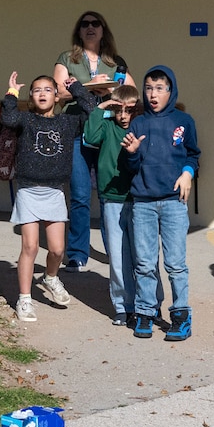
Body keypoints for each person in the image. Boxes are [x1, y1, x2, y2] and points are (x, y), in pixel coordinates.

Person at [120, 65, 200, 342]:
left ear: (171, 90)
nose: (153, 94)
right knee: (144, 263)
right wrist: (130, 154)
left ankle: (180, 314)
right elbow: (130, 166)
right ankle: (145, 312)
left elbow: (193, 154)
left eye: (159, 88)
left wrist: (188, 173)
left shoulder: (184, 121)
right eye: (149, 88)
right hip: (142, 203)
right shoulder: (138, 123)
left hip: (173, 202)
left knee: (176, 264)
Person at [0, 68, 85, 322]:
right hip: (28, 190)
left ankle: (50, 277)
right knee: (30, 246)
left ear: (57, 96)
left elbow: (91, 111)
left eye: (48, 89)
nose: (42, 94)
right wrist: (12, 94)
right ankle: (24, 298)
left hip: (55, 192)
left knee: (58, 250)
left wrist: (77, 89)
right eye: (36, 90)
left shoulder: (67, 122)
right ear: (31, 97)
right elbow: (8, 118)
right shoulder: (26, 120)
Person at [65, 78, 140, 325]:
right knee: (117, 256)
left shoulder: (141, 126)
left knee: (142, 256)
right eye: (119, 109)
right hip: (112, 198)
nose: (124, 115)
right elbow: (90, 136)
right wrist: (101, 108)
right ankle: (121, 305)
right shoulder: (106, 125)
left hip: (139, 199)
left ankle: (145, 304)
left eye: (129, 109)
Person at [57, 11, 128, 271]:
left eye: (95, 23)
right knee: (80, 196)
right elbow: (58, 91)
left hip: (107, 133)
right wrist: (89, 85)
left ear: (103, 29)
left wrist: (109, 89)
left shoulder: (116, 61)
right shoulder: (67, 58)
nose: (90, 27)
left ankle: (116, 248)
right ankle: (77, 253)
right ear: (79, 30)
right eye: (84, 24)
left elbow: (130, 92)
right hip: (76, 132)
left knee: (111, 195)